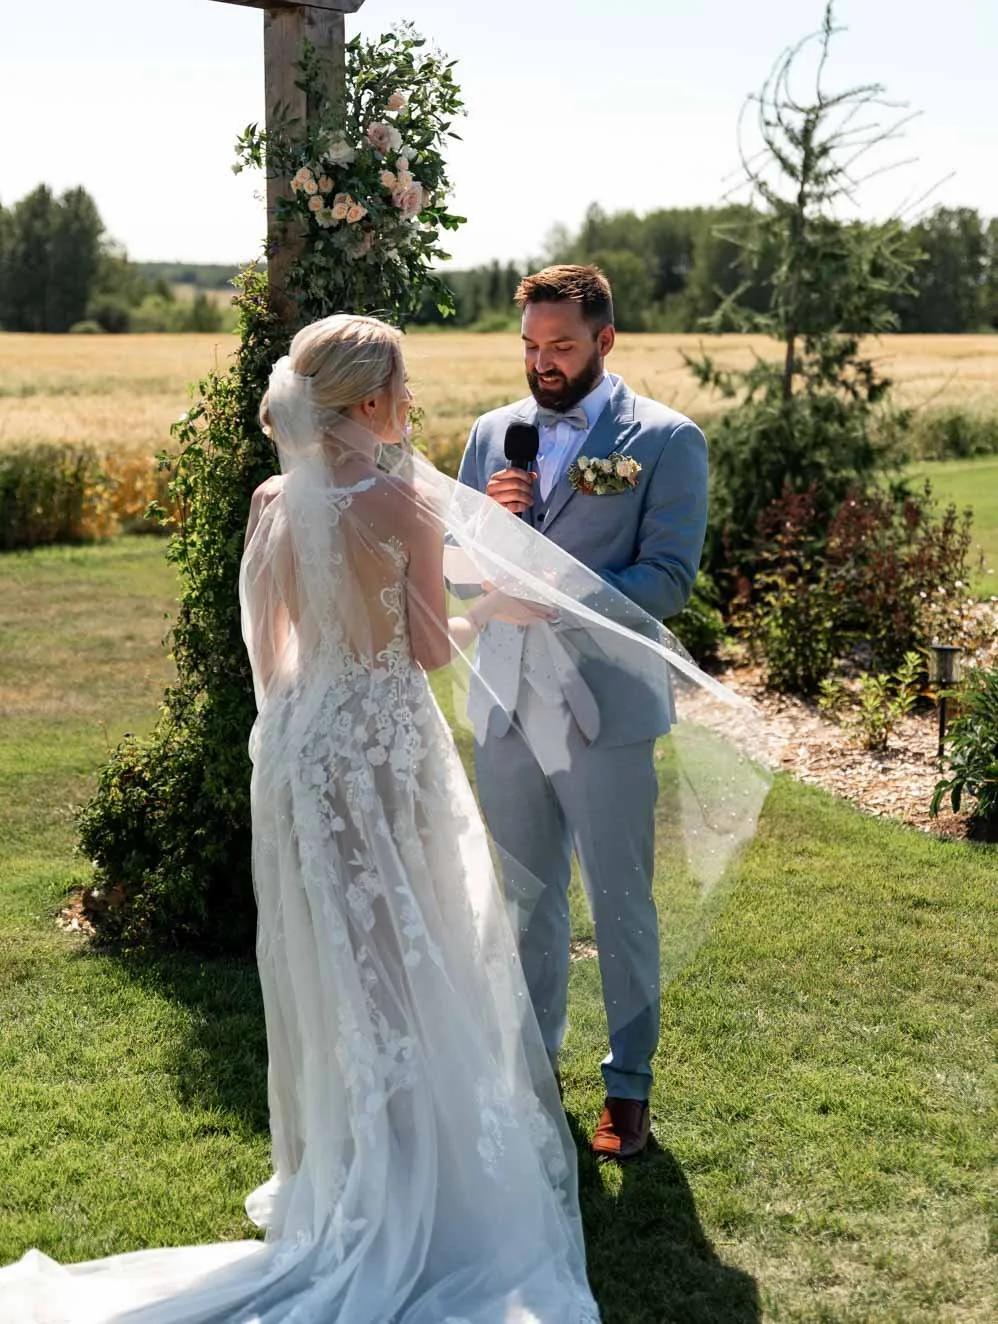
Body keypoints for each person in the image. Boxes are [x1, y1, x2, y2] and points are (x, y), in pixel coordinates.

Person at [0, 315, 603, 1323]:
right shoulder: (402, 498)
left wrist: (312, 726)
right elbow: (426, 652)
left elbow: (275, 648)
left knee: (339, 962)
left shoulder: (274, 498)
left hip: (300, 747)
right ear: (367, 402)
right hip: (380, 748)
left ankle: (349, 1162)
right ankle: (415, 1178)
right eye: (401, 389)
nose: (410, 404)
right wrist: (494, 608)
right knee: (416, 956)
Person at [458, 264, 709, 1161]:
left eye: (561, 345)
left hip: (606, 705)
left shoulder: (669, 441)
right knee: (525, 900)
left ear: (606, 339)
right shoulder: (494, 434)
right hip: (507, 700)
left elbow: (669, 579)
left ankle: (628, 1088)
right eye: (530, 345)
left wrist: (556, 597)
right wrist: (487, 532)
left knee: (619, 901)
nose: (543, 362)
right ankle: (532, 1076)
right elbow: (456, 560)